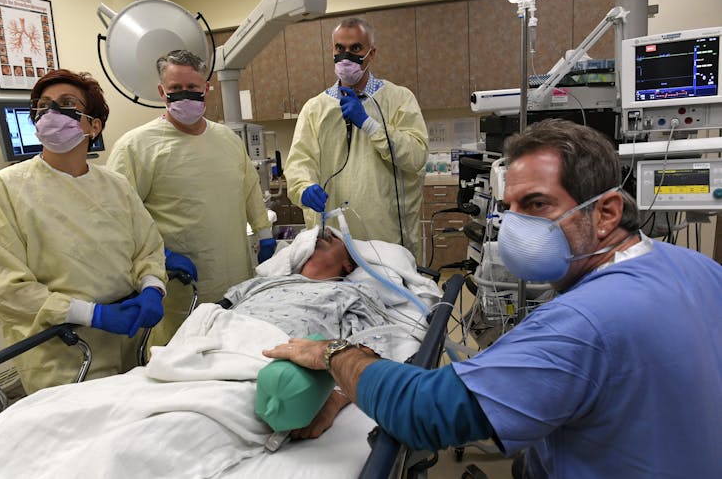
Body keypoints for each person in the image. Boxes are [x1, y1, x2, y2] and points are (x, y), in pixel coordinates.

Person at [266, 119, 722, 478]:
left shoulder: (585, 323)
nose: (513, 227)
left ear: (606, 212)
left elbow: (420, 411)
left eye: (537, 205)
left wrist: (333, 352)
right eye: (509, 207)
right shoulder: (698, 268)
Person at [0, 228, 433, 478]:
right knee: (43, 416)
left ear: (349, 263)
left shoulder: (348, 296)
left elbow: (374, 352)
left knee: (154, 439)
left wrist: (334, 400)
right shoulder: (262, 281)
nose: (321, 234)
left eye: (332, 237)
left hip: (266, 362)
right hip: (202, 353)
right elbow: (213, 316)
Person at [0, 69, 167, 394]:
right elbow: (7, 287)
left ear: (93, 126)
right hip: (63, 352)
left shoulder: (116, 185)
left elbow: (147, 248)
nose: (50, 113)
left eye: (66, 105)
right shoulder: (4, 189)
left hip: (128, 341)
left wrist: (152, 286)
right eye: (42, 106)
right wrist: (91, 314)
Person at [106, 49, 276, 348]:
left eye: (193, 89)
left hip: (235, 277)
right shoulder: (136, 147)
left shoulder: (226, 139)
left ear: (206, 89)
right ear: (162, 91)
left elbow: (249, 188)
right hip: (180, 286)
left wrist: (264, 233)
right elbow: (118, 217)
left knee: (236, 354)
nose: (184, 95)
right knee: (184, 366)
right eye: (175, 89)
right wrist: (161, 259)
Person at [284, 17, 428, 261]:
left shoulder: (399, 99)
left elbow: (416, 156)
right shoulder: (315, 108)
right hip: (334, 240)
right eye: (339, 49)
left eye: (355, 49)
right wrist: (304, 188)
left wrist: (370, 124)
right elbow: (299, 162)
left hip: (386, 238)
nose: (346, 56)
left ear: (371, 54)